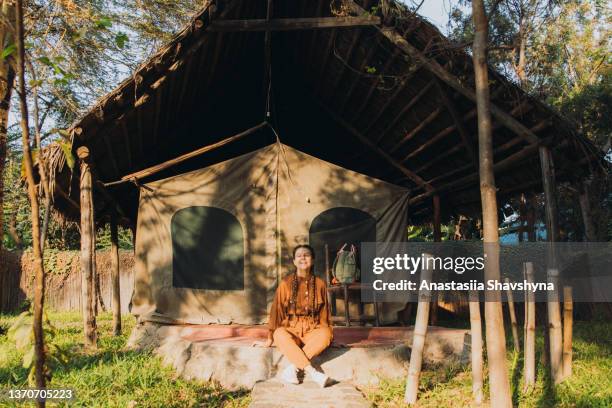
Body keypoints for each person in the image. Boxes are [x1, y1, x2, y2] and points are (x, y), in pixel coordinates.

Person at [259, 244, 333, 387]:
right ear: (294, 261)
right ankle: (312, 372)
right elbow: (276, 312)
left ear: (312, 260)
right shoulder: (285, 283)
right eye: (299, 255)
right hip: (291, 328)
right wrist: (269, 339)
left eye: (306, 255)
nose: (303, 258)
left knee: (326, 334)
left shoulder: (320, 284)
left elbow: (325, 314)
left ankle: (292, 368)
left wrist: (329, 337)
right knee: (279, 334)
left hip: (312, 329)